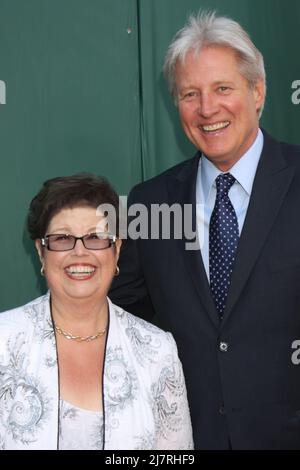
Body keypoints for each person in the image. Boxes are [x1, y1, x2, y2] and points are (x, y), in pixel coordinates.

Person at [110, 11, 300, 449]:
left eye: (222, 89)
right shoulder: (149, 202)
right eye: (189, 93)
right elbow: (118, 317)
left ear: (258, 91)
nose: (207, 109)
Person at [0, 173, 193, 450]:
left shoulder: (157, 351)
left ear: (117, 250)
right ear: (41, 252)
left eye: (96, 237)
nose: (80, 252)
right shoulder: (3, 343)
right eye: (63, 238)